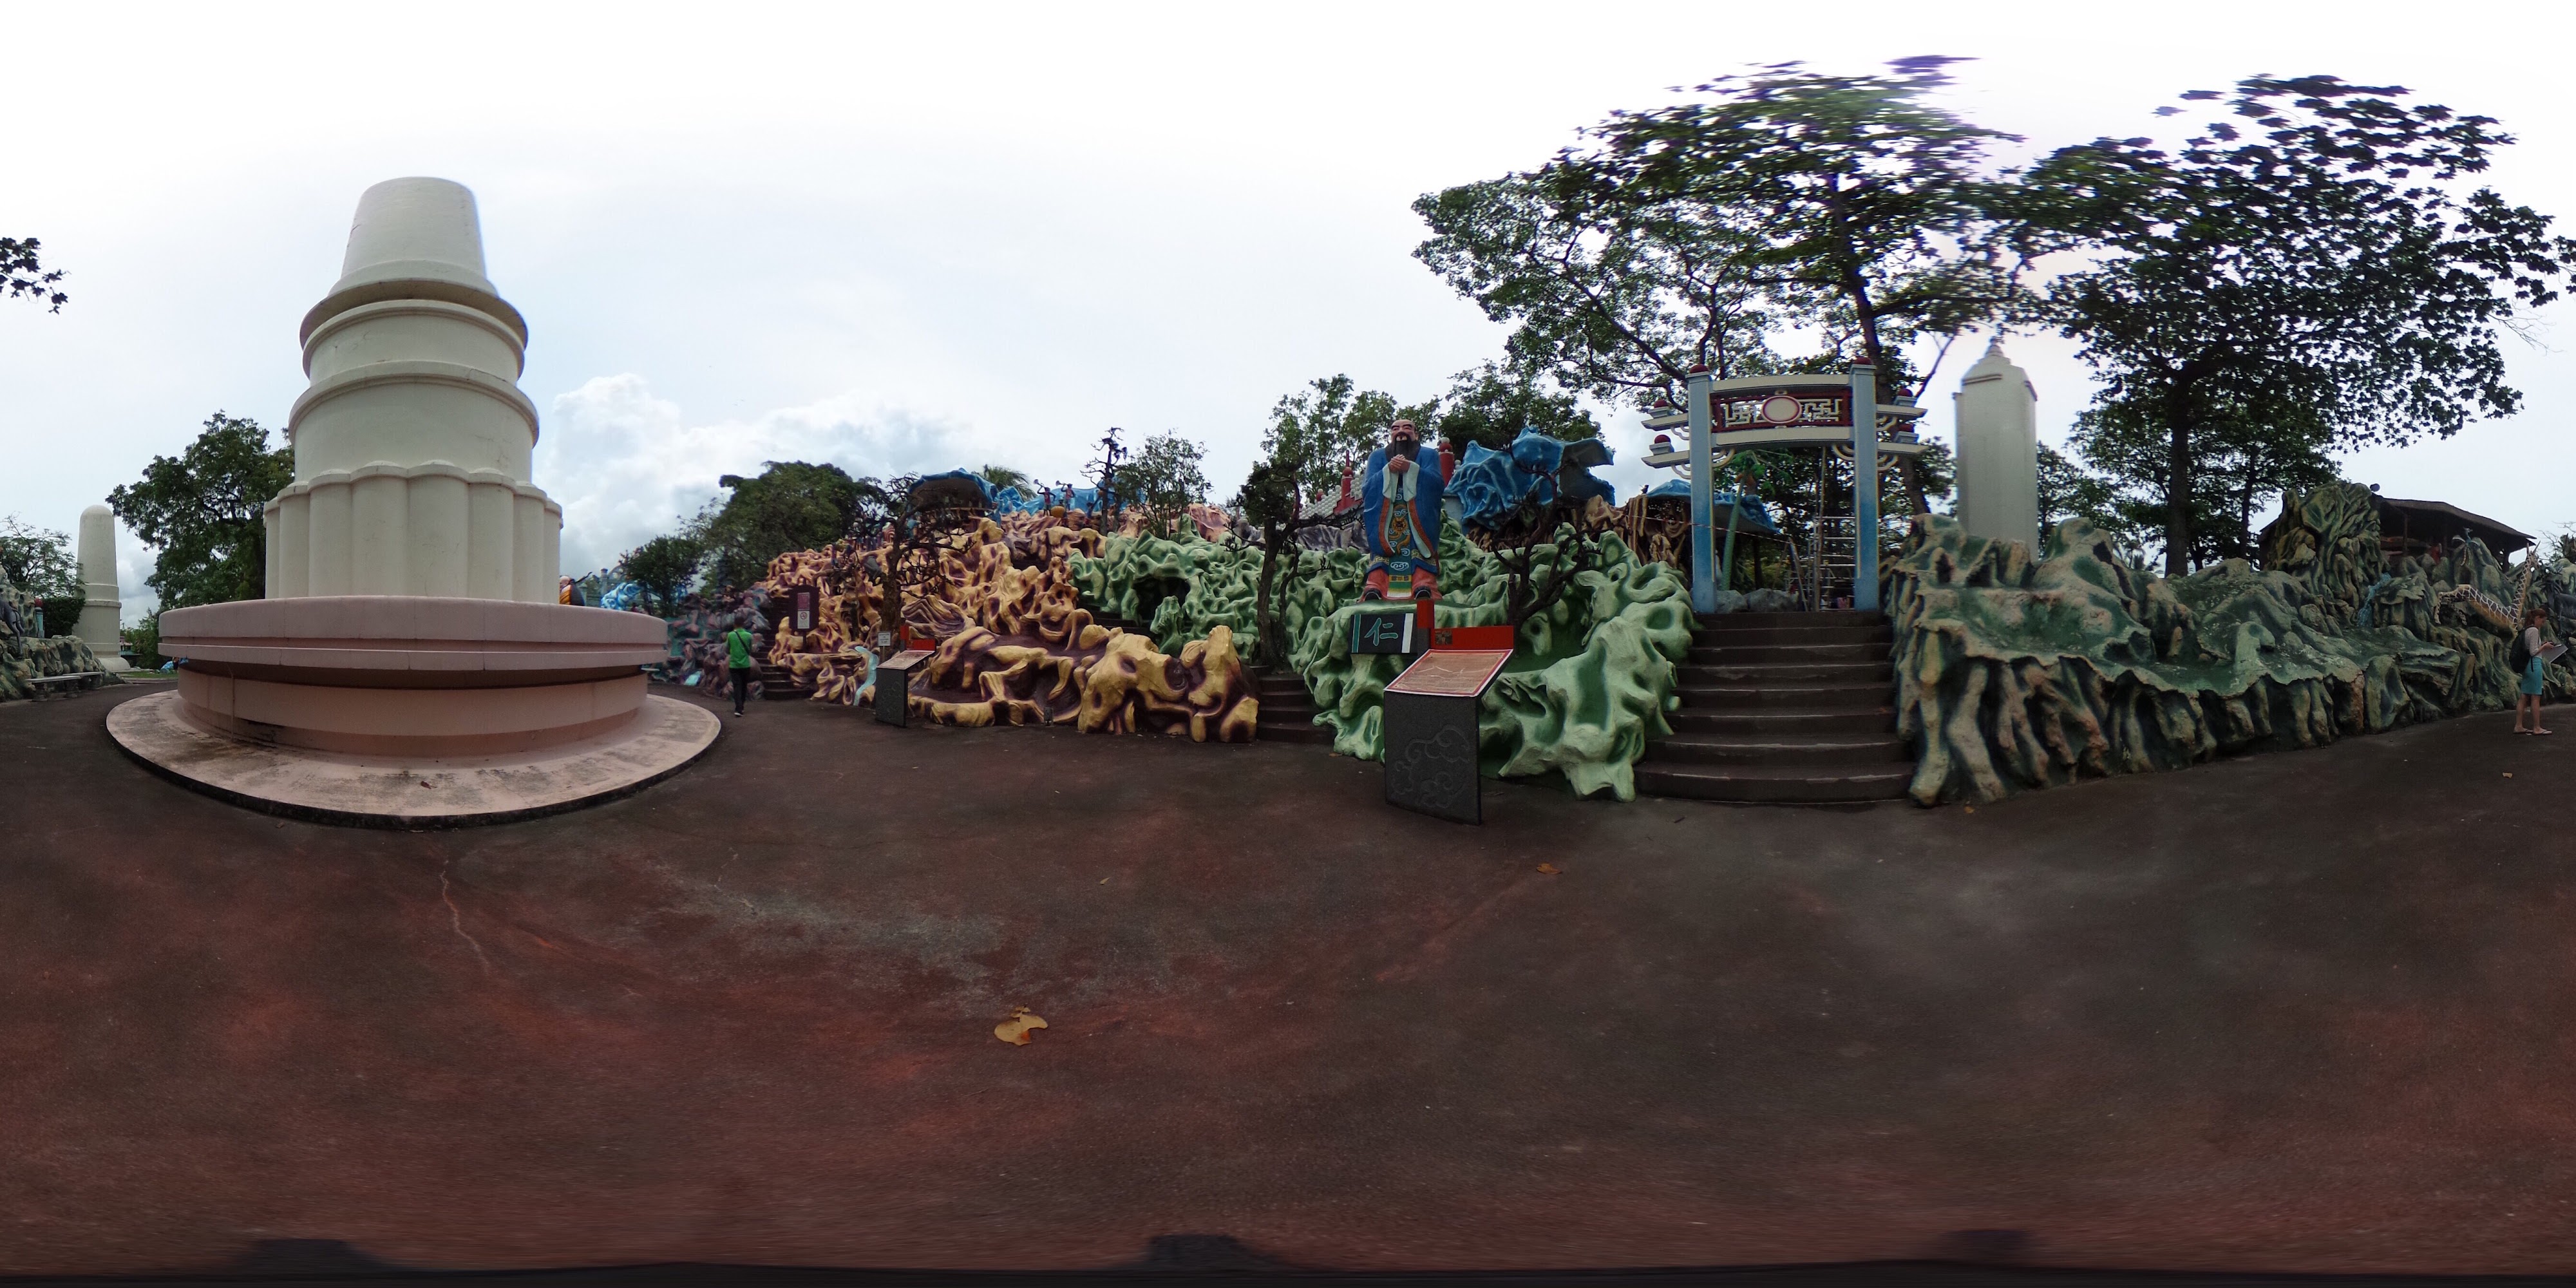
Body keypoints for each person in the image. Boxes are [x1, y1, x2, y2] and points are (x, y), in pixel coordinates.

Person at [1358, 418, 1445, 601]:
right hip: (1386, 514)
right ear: (1391, 435)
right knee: (1383, 551)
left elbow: (1437, 484)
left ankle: (1423, 584)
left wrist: (1411, 469)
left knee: (1418, 548)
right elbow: (1367, 488)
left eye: (1407, 428)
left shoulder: (1429, 455)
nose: (1401, 432)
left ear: (1416, 434)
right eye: (1395, 429)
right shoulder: (1377, 457)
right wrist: (1387, 471)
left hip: (1416, 514)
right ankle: (1377, 586)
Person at [2513, 607, 2552, 735]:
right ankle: (2537, 727)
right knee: (2536, 697)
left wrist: (2542, 645)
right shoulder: (2534, 631)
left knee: (2524, 696)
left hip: (2527, 666)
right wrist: (2545, 646)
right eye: (2543, 621)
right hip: (2534, 665)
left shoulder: (2527, 630)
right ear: (2537, 618)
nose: (2543, 624)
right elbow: (2533, 652)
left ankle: (2519, 726)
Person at [724, 619, 757, 717]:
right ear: (743, 625)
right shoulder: (749, 636)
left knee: (737, 686)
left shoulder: (730, 635)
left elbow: (727, 649)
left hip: (734, 665)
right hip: (746, 665)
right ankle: (741, 706)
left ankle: (738, 708)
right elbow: (751, 650)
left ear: (734, 625)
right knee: (743, 686)